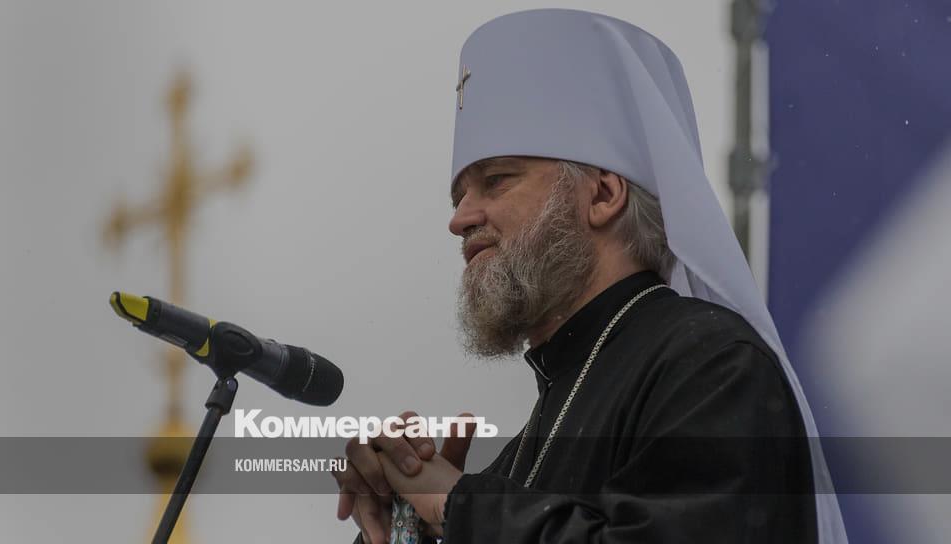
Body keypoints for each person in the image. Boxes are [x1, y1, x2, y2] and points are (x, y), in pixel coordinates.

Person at [332, 9, 848, 543]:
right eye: (459, 196)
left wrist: (460, 507)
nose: (459, 219)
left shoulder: (713, 368)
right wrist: (406, 528)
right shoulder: (528, 443)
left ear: (602, 194)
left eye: (496, 180)